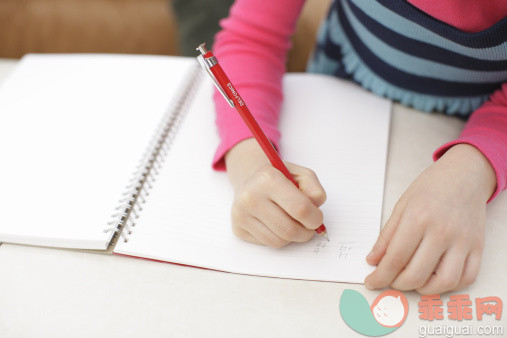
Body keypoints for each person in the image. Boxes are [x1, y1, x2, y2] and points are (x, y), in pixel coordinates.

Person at [211, 0, 507, 295]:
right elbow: (251, 39)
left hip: (482, 124)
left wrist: (473, 168)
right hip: (343, 85)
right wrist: (249, 160)